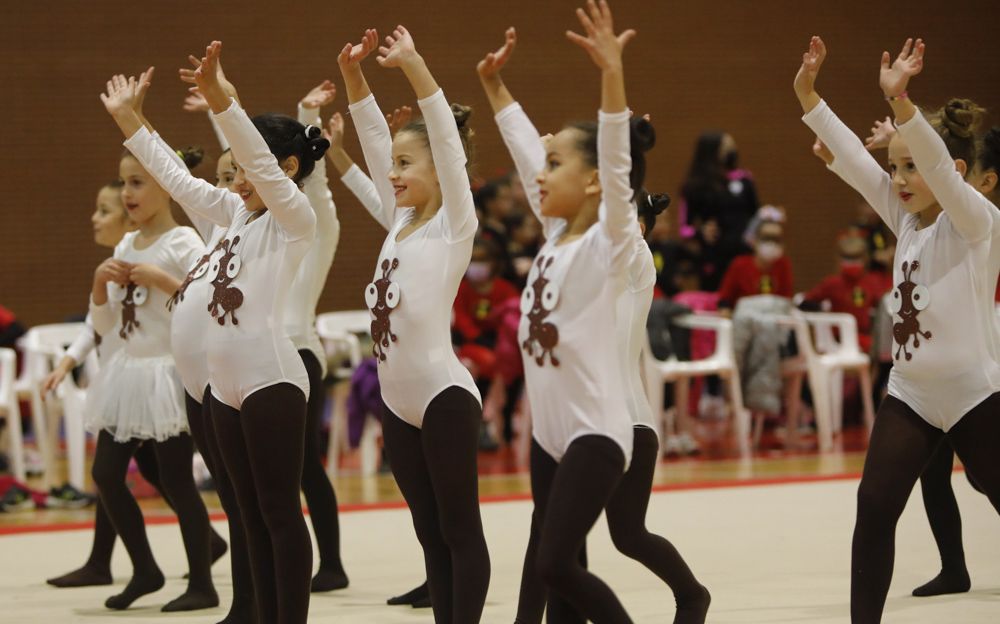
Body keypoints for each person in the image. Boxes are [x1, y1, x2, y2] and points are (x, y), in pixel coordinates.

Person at [796, 35, 1000, 622]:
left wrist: (904, 104)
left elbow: (934, 163)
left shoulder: (975, 221)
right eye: (896, 168)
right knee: (875, 506)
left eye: (912, 167)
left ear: (955, 172)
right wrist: (807, 92)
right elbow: (856, 163)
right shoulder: (905, 218)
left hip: (975, 394)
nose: (901, 179)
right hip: (910, 393)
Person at [481, 2, 648, 620]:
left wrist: (611, 76)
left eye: (557, 166)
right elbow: (529, 150)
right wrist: (494, 87)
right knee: (545, 563)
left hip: (594, 434)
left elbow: (616, 160)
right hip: (548, 436)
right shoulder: (555, 238)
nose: (539, 175)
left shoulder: (610, 241)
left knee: (554, 565)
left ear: (596, 182)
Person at [339, 25, 491, 623]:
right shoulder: (396, 223)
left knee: (459, 529)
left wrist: (414, 66)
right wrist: (354, 79)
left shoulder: (453, 224)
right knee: (428, 532)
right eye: (393, 165)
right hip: (395, 400)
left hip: (443, 396)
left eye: (407, 164)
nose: (394, 173)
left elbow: (448, 146)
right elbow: (377, 140)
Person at [88, 72, 217, 612]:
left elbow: (207, 307)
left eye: (138, 182)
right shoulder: (125, 240)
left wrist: (167, 282)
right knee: (105, 475)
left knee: (176, 481)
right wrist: (100, 283)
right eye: (123, 184)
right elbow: (108, 327)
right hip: (128, 373)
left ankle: (203, 582)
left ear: (166, 185)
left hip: (167, 374)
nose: (127, 194)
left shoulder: (183, 240)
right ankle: (144, 569)